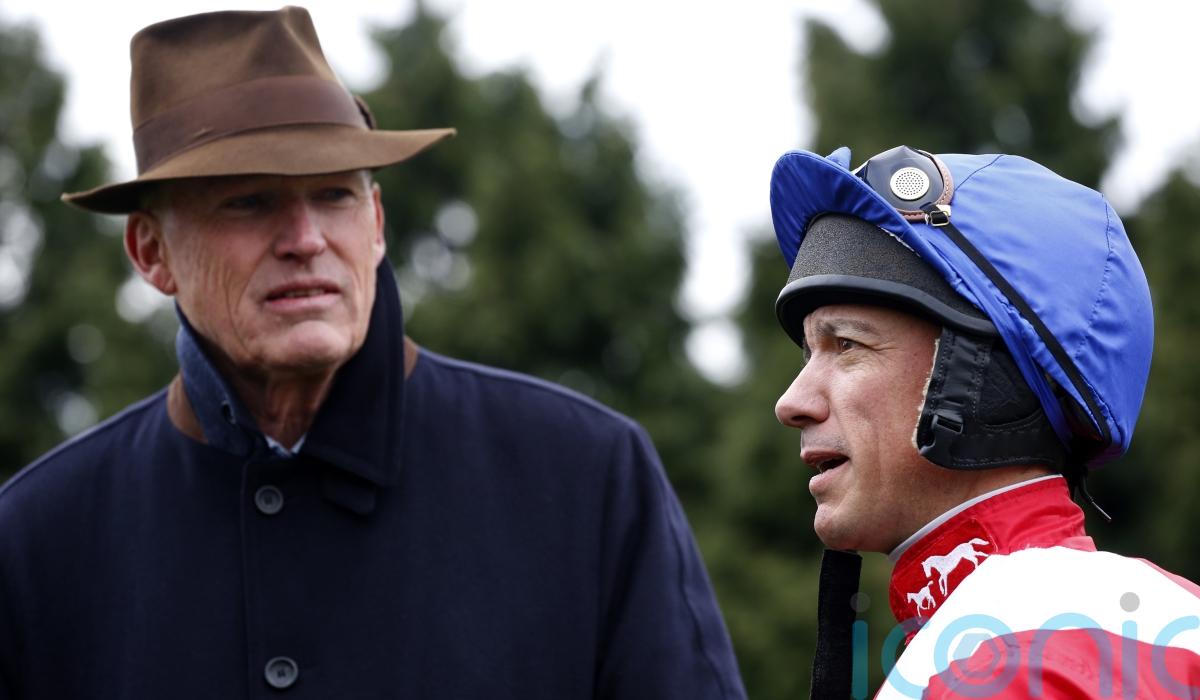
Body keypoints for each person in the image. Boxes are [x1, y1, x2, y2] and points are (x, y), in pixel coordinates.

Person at [0, 8, 746, 699]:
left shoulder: (585, 476)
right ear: (150, 252)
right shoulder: (36, 540)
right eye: (249, 201)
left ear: (378, 223)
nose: (305, 239)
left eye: (334, 195)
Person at [769, 145, 1200, 697]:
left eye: (846, 344)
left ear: (979, 377)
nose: (791, 402)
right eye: (808, 354)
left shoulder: (1001, 666)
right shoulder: (1166, 617)